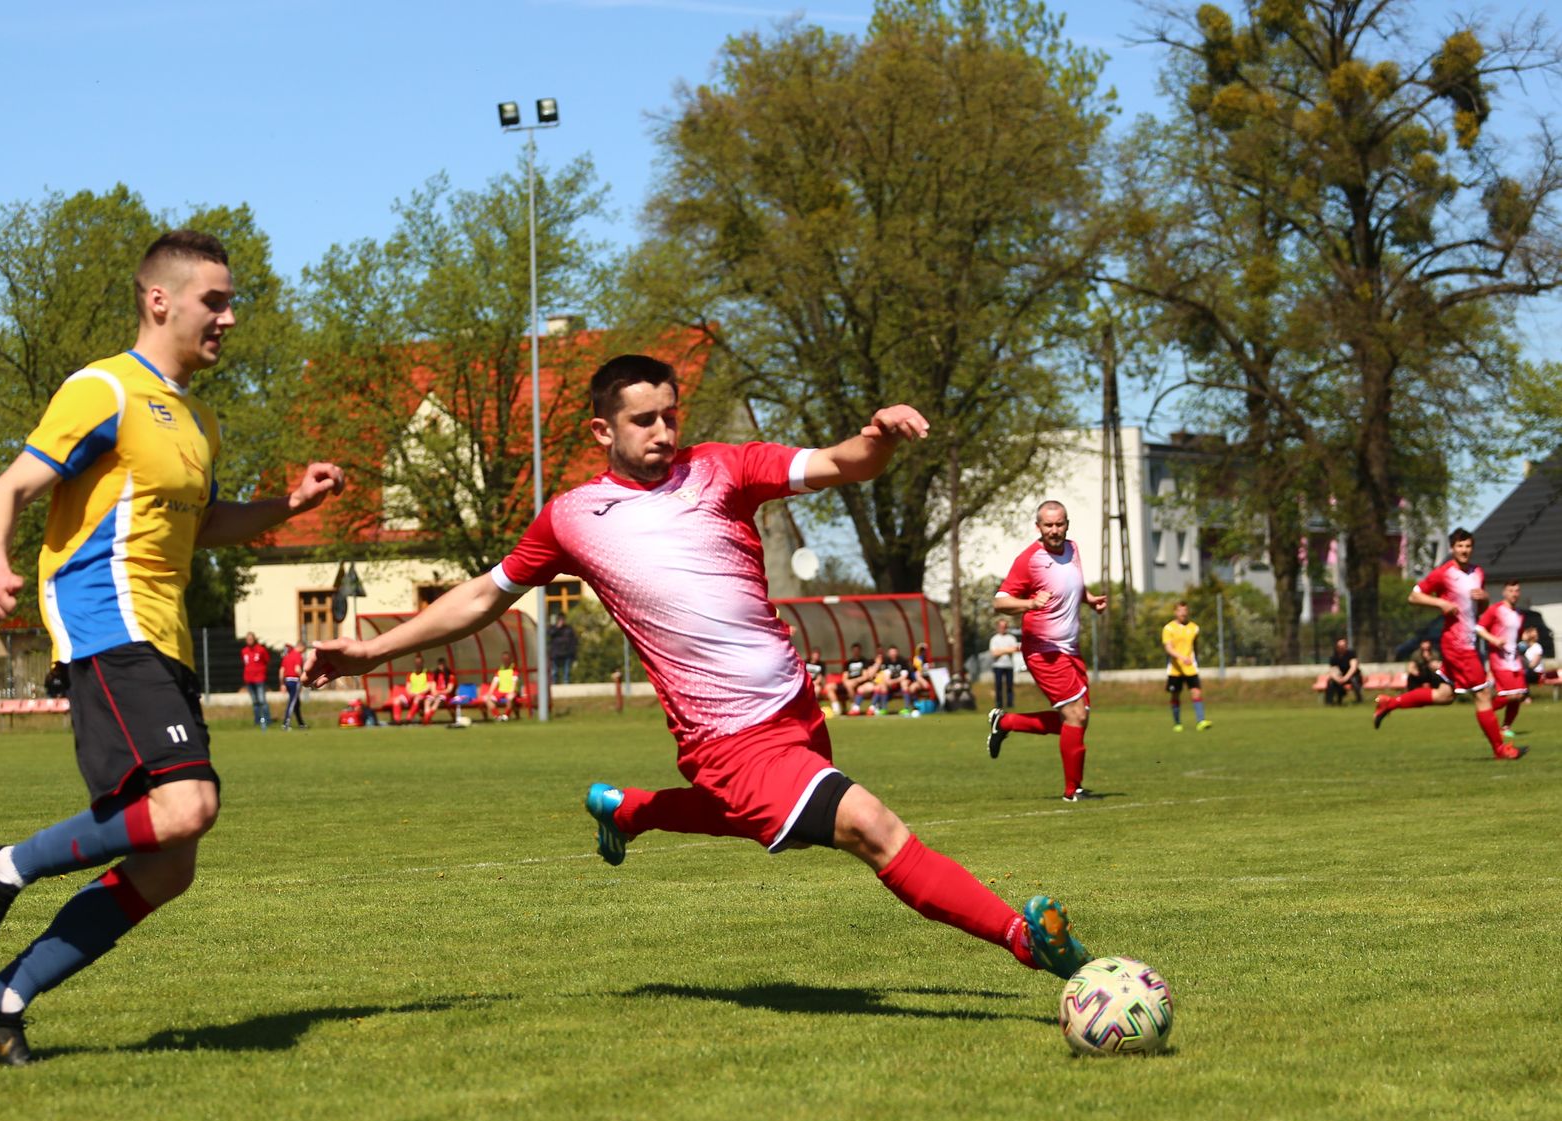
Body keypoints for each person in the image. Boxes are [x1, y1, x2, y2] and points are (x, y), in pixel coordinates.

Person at [306, 353, 1093, 986]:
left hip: (794, 707)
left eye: (670, 415)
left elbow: (838, 464)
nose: (661, 431)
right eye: (642, 420)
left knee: (764, 822)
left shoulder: (722, 468)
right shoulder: (573, 518)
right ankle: (1027, 941)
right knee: (871, 829)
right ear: (600, 430)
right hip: (727, 737)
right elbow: (484, 593)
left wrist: (878, 434)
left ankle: (630, 809)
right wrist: (370, 652)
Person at [0, 229, 343, 1065]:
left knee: (169, 867)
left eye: (232, 302)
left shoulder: (198, 420)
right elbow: (10, 487)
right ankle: (3, 868)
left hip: (164, 641)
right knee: (188, 805)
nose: (229, 318)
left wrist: (290, 505)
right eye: (216, 300)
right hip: (105, 623)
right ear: (159, 299)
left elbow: (209, 524)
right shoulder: (103, 390)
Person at [986, 501, 1109, 801]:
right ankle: (1072, 791)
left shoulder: (1073, 548)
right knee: (1076, 716)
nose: (1055, 530)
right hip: (1043, 651)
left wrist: (1089, 599)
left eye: (1060, 524)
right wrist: (1029, 604)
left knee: (1076, 719)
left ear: (1067, 524)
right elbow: (999, 602)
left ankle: (1005, 722)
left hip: (1070, 649)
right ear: (1038, 527)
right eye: (1048, 525)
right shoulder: (1029, 559)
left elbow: (1070, 585)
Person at [1373, 528, 1521, 760]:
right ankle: (1500, 750)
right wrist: (1439, 604)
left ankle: (1389, 703)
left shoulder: (1478, 573)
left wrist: (1485, 600)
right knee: (1483, 695)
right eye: (1460, 546)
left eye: (1468, 546)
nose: (1464, 550)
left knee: (1444, 695)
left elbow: (1477, 611)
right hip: (1457, 644)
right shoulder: (1444, 573)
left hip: (1468, 642)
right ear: (1452, 548)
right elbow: (1414, 596)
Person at [1480, 580, 1528, 738]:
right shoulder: (1495, 610)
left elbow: (1518, 637)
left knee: (1519, 695)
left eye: (1517, 591)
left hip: (1515, 660)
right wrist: (1494, 640)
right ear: (1504, 592)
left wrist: (1525, 640)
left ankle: (1505, 727)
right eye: (1511, 590)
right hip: (1499, 659)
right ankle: (1485, 711)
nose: (1514, 594)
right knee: (1509, 695)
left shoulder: (1520, 614)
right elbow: (1479, 628)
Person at [1161, 601, 1211, 732]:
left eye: (1185, 610)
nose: (1183, 613)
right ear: (1175, 612)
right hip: (1175, 669)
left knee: (1196, 692)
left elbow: (1195, 646)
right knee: (1175, 695)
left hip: (1190, 668)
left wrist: (1195, 659)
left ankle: (1201, 721)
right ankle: (1177, 723)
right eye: (1180, 610)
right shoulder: (1168, 628)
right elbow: (1168, 648)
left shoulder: (1194, 628)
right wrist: (1181, 657)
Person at [986, 616, 1019, 711]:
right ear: (998, 627)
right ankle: (999, 704)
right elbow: (994, 653)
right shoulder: (994, 639)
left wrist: (1001, 650)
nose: (1003, 628)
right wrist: (1007, 650)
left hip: (1009, 666)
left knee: (1009, 686)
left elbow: (1014, 649)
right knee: (998, 686)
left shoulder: (1011, 638)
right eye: (1001, 626)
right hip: (998, 666)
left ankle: (1010, 704)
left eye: (1005, 626)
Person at [240, 633, 272, 728]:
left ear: (254, 639)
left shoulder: (261, 650)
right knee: (255, 701)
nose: (249, 640)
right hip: (249, 679)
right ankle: (257, 721)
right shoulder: (244, 651)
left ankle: (267, 720)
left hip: (259, 679)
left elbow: (267, 661)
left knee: (262, 700)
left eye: (251, 638)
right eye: (248, 639)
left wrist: (262, 672)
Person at [1324, 638, 1363, 706]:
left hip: (1353, 676)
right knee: (1331, 682)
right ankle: (1330, 702)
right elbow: (1332, 670)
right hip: (1341, 677)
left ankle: (1359, 699)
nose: (1341, 648)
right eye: (1339, 646)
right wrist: (1337, 679)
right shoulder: (1334, 657)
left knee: (1354, 680)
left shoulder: (1351, 654)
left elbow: (1353, 668)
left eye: (1343, 646)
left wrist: (1345, 678)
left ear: (1346, 646)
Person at [280, 642, 308, 730]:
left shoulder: (287, 656)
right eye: (304, 650)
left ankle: (301, 724)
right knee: (292, 702)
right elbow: (297, 669)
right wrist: (304, 677)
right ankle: (286, 723)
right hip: (295, 681)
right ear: (301, 647)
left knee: (296, 703)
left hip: (287, 681)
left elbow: (281, 671)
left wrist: (282, 684)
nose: (303, 652)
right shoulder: (298, 656)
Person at [486, 654, 521, 720]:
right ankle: (497, 716)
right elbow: (495, 682)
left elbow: (514, 682)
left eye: (507, 658)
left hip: (511, 691)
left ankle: (506, 716)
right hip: (501, 691)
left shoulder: (514, 669)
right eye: (504, 659)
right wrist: (489, 692)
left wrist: (512, 691)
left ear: (510, 659)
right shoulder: (500, 669)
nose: (505, 660)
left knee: (510, 698)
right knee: (488, 699)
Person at [548, 612, 579, 686]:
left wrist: (573, 652)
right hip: (555, 652)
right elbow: (550, 634)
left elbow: (573, 640)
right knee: (555, 670)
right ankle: (554, 683)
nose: (562, 621)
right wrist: (557, 628)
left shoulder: (569, 629)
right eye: (560, 619)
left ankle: (566, 682)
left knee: (566, 670)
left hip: (567, 652)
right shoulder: (553, 628)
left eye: (563, 619)